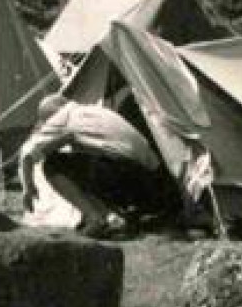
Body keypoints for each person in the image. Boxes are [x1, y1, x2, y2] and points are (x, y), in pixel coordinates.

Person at [18, 93, 177, 235]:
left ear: (51, 115)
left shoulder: (63, 117)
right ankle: (117, 217)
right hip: (156, 184)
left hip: (126, 178)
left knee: (53, 164)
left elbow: (27, 154)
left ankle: (96, 219)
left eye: (46, 121)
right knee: (87, 160)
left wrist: (28, 187)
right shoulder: (98, 111)